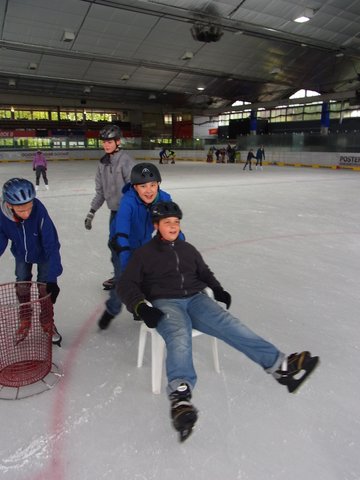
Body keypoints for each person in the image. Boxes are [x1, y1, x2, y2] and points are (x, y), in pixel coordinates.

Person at [118, 201, 319, 442]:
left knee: (230, 325)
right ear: (156, 225)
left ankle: (281, 368)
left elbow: (204, 273)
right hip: (165, 302)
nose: (172, 226)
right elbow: (126, 284)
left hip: (195, 299)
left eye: (176, 222)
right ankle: (181, 397)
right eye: (167, 222)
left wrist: (217, 289)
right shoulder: (144, 254)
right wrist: (141, 307)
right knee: (179, 334)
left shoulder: (187, 249)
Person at [97, 163, 183, 330]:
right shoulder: (128, 201)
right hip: (121, 243)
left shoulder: (164, 199)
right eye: (143, 186)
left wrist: (180, 244)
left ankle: (140, 304)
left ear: (159, 184)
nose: (149, 190)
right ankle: (112, 309)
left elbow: (171, 225)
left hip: (143, 243)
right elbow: (122, 231)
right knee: (124, 280)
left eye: (153, 185)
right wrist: (126, 260)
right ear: (135, 187)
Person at [0, 178, 63, 346]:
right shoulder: (2, 216)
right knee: (22, 284)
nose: (27, 213)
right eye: (21, 210)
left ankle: (47, 321)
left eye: (29, 207)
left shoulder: (39, 211)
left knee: (44, 288)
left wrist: (52, 279)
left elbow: (52, 244)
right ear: (9, 205)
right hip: (22, 254)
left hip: (43, 254)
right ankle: (25, 318)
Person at [84, 124, 135, 291]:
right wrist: (91, 212)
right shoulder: (102, 164)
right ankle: (120, 276)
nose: (106, 145)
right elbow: (100, 192)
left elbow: (134, 188)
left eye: (110, 142)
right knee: (114, 244)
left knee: (127, 245)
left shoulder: (126, 161)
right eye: (104, 142)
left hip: (128, 212)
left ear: (118, 142)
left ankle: (133, 279)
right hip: (114, 212)